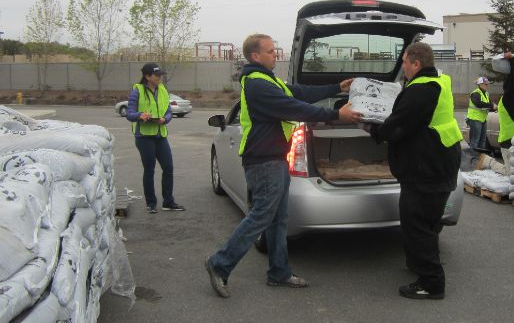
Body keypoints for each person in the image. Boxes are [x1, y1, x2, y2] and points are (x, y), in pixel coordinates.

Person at [205, 34, 362, 298]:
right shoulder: (257, 84)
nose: (275, 53)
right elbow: (293, 107)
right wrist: (337, 114)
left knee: (278, 219)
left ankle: (279, 272)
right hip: (263, 161)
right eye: (270, 50)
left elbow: (300, 92)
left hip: (275, 158)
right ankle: (219, 263)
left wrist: (338, 87)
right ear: (255, 56)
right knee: (262, 215)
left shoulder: (269, 80)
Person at [361, 42, 462, 300]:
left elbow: (397, 126)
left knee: (417, 225)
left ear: (416, 64)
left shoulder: (420, 90)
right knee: (429, 222)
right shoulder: (440, 82)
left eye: (405, 61)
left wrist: (371, 129)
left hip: (425, 169)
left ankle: (431, 282)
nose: (403, 66)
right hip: (441, 162)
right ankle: (419, 264)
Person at [126, 63, 185, 213]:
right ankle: (151, 203)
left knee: (168, 168)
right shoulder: (137, 91)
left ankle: (168, 202)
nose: (160, 78)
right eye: (156, 75)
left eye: (160, 75)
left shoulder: (163, 90)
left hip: (160, 134)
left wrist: (165, 119)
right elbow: (129, 114)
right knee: (149, 169)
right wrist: (140, 115)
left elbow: (169, 112)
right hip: (144, 137)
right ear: (147, 76)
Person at [477, 53, 514, 175]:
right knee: (509, 173)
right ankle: (488, 161)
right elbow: (512, 80)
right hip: (508, 141)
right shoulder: (508, 98)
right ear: (511, 88)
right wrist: (511, 61)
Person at [466, 76, 497, 151]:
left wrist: (494, 108)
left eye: (487, 84)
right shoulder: (475, 93)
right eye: (486, 84)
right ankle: (473, 159)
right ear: (480, 84)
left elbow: (489, 104)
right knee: (475, 141)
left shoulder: (486, 94)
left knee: (482, 141)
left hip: (482, 119)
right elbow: (478, 103)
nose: (487, 86)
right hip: (475, 119)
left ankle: (480, 158)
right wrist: (491, 105)